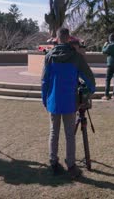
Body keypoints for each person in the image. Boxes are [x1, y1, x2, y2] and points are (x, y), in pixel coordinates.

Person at [41, 28, 96, 179]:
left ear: (57, 39)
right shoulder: (76, 57)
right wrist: (90, 90)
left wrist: (44, 99)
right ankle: (71, 165)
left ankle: (53, 162)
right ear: (69, 38)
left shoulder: (49, 56)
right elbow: (89, 78)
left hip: (53, 101)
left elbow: (44, 81)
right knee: (69, 135)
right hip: (70, 102)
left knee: (54, 132)